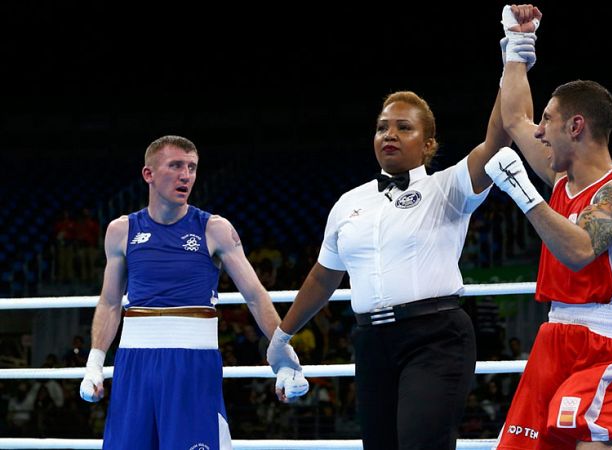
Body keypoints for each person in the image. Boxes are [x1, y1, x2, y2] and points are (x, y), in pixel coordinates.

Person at [265, 14, 540, 447]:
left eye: (403, 127)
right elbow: (324, 276)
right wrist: (282, 336)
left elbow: (499, 138)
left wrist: (515, 53)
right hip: (371, 342)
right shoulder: (348, 203)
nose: (389, 134)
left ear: (428, 144)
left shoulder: (447, 187)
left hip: (435, 337)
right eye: (382, 127)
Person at [484, 5, 612, 449]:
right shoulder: (561, 179)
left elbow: (578, 251)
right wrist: (517, 46)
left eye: (549, 122)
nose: (539, 132)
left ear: (576, 126)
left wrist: (521, 190)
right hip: (554, 335)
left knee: (590, 443)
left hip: (602, 343)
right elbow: (514, 119)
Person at [78, 135, 309, 449]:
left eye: (192, 167)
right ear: (149, 174)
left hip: (193, 363)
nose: (185, 175)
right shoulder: (121, 231)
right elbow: (109, 302)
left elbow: (254, 294)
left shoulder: (214, 229)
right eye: (175, 166)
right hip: (133, 363)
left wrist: (283, 355)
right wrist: (95, 363)